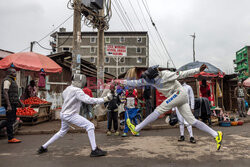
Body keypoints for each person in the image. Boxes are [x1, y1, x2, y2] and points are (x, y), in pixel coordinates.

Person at [115, 64, 223, 150]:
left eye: (149, 78)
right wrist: (121, 82)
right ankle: (216, 134)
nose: (148, 81)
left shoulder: (166, 75)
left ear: (155, 76)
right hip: (179, 98)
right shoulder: (150, 80)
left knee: (159, 109)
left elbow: (182, 74)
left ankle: (137, 128)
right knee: (192, 121)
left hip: (178, 93)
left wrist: (198, 70)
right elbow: (136, 83)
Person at [37, 74, 112, 157]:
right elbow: (88, 100)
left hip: (63, 114)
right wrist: (105, 99)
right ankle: (94, 150)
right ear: (78, 82)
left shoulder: (67, 89)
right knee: (90, 126)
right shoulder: (77, 91)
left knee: (62, 132)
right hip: (70, 115)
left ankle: (43, 147)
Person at [1, 68, 24, 143]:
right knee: (10, 120)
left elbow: (14, 95)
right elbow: (5, 92)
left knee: (12, 119)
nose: (15, 73)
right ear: (9, 73)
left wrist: (20, 103)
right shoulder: (7, 80)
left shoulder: (13, 81)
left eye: (15, 72)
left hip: (13, 103)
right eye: (13, 72)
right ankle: (10, 138)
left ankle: (10, 137)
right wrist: (8, 105)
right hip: (9, 104)